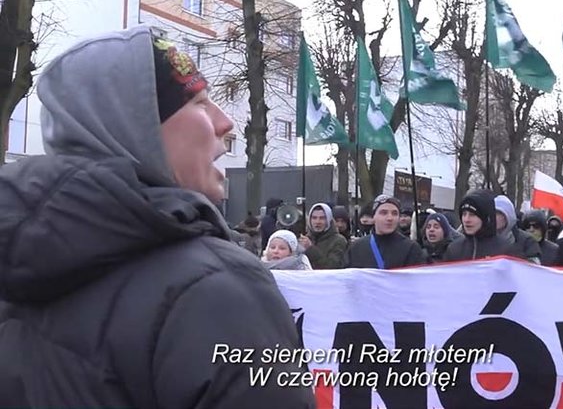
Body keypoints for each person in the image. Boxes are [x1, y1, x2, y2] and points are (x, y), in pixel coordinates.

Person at [0, 27, 314, 407]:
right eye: (199, 103)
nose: (225, 123)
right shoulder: (217, 289)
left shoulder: (15, 262)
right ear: (137, 130)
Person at [345, 195, 427, 269]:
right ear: (374, 216)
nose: (389, 218)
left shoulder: (411, 248)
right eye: (383, 213)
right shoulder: (357, 247)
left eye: (394, 213)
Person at [444, 190, 512, 261]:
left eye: (472, 215)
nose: (467, 220)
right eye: (464, 214)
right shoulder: (454, 249)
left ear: (486, 218)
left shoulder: (505, 250)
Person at [299, 203, 348, 269]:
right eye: (314, 218)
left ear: (329, 220)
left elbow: (333, 266)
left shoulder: (338, 241)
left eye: (322, 218)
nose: (317, 222)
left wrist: (310, 249)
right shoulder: (305, 239)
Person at [494, 195, 542, 263]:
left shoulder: (527, 241)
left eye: (499, 213)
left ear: (509, 215)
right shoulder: (484, 239)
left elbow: (534, 268)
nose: (495, 217)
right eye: (493, 213)